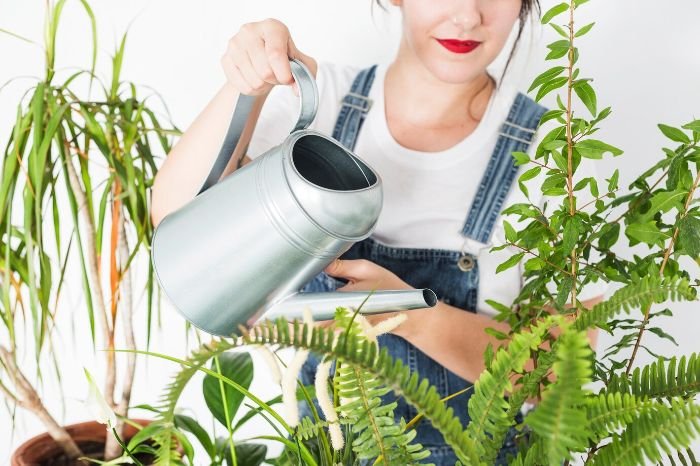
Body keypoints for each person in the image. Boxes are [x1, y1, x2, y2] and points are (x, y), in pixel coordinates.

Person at [150, 0, 608, 463]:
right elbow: (175, 220)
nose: (469, 16)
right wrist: (244, 84)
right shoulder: (315, 99)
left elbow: (558, 374)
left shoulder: (557, 156)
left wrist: (410, 315)